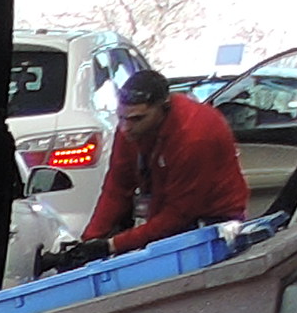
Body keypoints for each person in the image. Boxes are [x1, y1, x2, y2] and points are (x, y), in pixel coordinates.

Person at [67, 67, 248, 259]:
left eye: (137, 119)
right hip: (165, 214)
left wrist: (112, 245)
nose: (126, 128)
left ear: (164, 109)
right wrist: (89, 242)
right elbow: (117, 188)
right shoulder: (130, 129)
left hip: (211, 223)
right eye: (121, 118)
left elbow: (178, 215)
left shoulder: (194, 136)